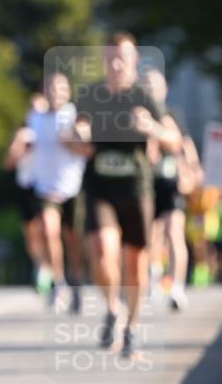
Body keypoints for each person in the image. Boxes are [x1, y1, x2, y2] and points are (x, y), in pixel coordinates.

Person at [74, 34, 181, 358]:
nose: (116, 64)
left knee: (136, 264)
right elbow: (76, 130)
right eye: (111, 58)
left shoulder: (144, 96)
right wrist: (78, 134)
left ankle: (133, 327)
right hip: (100, 187)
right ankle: (111, 308)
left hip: (136, 189)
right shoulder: (90, 94)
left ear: (134, 61)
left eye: (123, 58)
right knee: (102, 251)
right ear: (104, 60)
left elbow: (173, 141)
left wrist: (152, 129)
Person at [140, 68, 202, 310]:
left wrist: (194, 170)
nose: (150, 90)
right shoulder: (138, 116)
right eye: (145, 86)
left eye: (154, 86)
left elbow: (186, 144)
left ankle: (177, 287)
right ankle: (153, 280)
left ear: (164, 89)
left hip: (171, 182)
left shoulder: (172, 115)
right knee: (150, 236)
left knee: (174, 232)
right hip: (146, 183)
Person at [28, 72, 86, 312]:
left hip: (72, 187)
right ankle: (58, 282)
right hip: (45, 188)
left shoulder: (73, 116)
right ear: (45, 90)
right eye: (51, 87)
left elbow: (86, 148)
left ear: (68, 92)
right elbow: (27, 140)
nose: (55, 92)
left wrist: (72, 140)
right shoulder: (36, 117)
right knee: (49, 230)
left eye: (60, 88)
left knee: (73, 240)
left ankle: (77, 282)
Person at [3, 93, 52, 294]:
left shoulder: (49, 131)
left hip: (44, 186)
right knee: (31, 232)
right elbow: (8, 163)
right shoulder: (22, 133)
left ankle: (50, 270)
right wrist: (18, 146)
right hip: (25, 186)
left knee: (48, 228)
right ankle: (39, 265)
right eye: (33, 108)